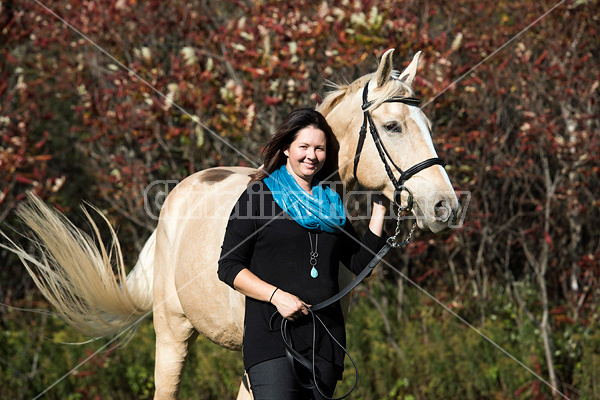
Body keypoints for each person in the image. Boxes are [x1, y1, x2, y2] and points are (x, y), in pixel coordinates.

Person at [218, 108, 388, 400]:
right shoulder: (258, 196)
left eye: (319, 148)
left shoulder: (331, 203)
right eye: (304, 147)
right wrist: (276, 296)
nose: (312, 155)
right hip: (273, 340)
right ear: (286, 148)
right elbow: (229, 266)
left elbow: (360, 264)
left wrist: (381, 209)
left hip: (325, 343)